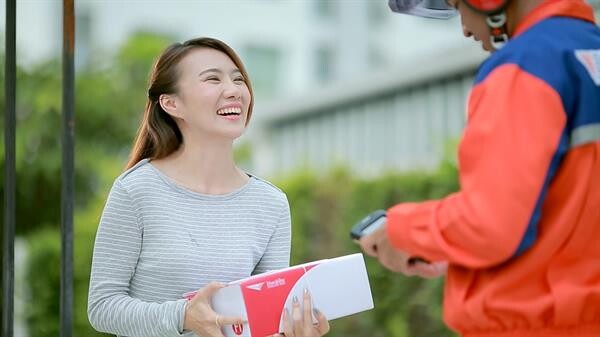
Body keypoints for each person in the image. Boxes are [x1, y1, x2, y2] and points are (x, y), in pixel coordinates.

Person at [360, 0, 600, 336]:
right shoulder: (588, 51)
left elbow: (490, 223)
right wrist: (452, 252)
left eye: (458, 6)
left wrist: (401, 231)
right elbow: (566, 219)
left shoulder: (525, 66)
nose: (465, 28)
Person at [88, 37, 330, 337]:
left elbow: (263, 321)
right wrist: (184, 316)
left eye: (238, 79)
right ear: (171, 103)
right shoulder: (137, 190)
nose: (234, 91)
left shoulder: (271, 203)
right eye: (213, 79)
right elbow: (102, 306)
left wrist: (291, 332)